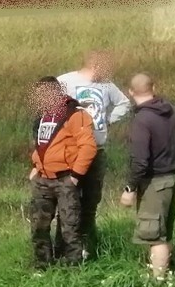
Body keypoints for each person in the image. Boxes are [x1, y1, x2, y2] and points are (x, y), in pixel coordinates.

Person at [56, 50, 132, 259]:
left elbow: (124, 103)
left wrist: (107, 119)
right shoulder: (66, 81)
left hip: (97, 152)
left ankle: (88, 247)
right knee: (68, 201)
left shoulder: (107, 85)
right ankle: (63, 249)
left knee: (90, 201)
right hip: (71, 152)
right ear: (94, 65)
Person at [119, 73, 175, 282]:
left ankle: (158, 282)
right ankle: (165, 273)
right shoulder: (171, 111)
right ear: (153, 88)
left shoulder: (142, 120)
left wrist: (130, 189)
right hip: (172, 177)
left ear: (130, 92)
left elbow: (140, 161)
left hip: (154, 183)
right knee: (165, 231)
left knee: (154, 235)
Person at [28, 76, 98, 269]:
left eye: (43, 94)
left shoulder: (75, 115)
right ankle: (42, 265)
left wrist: (75, 176)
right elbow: (42, 145)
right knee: (38, 225)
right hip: (43, 179)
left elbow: (88, 147)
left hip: (66, 178)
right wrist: (36, 166)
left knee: (70, 226)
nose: (40, 99)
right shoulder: (43, 116)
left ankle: (73, 266)